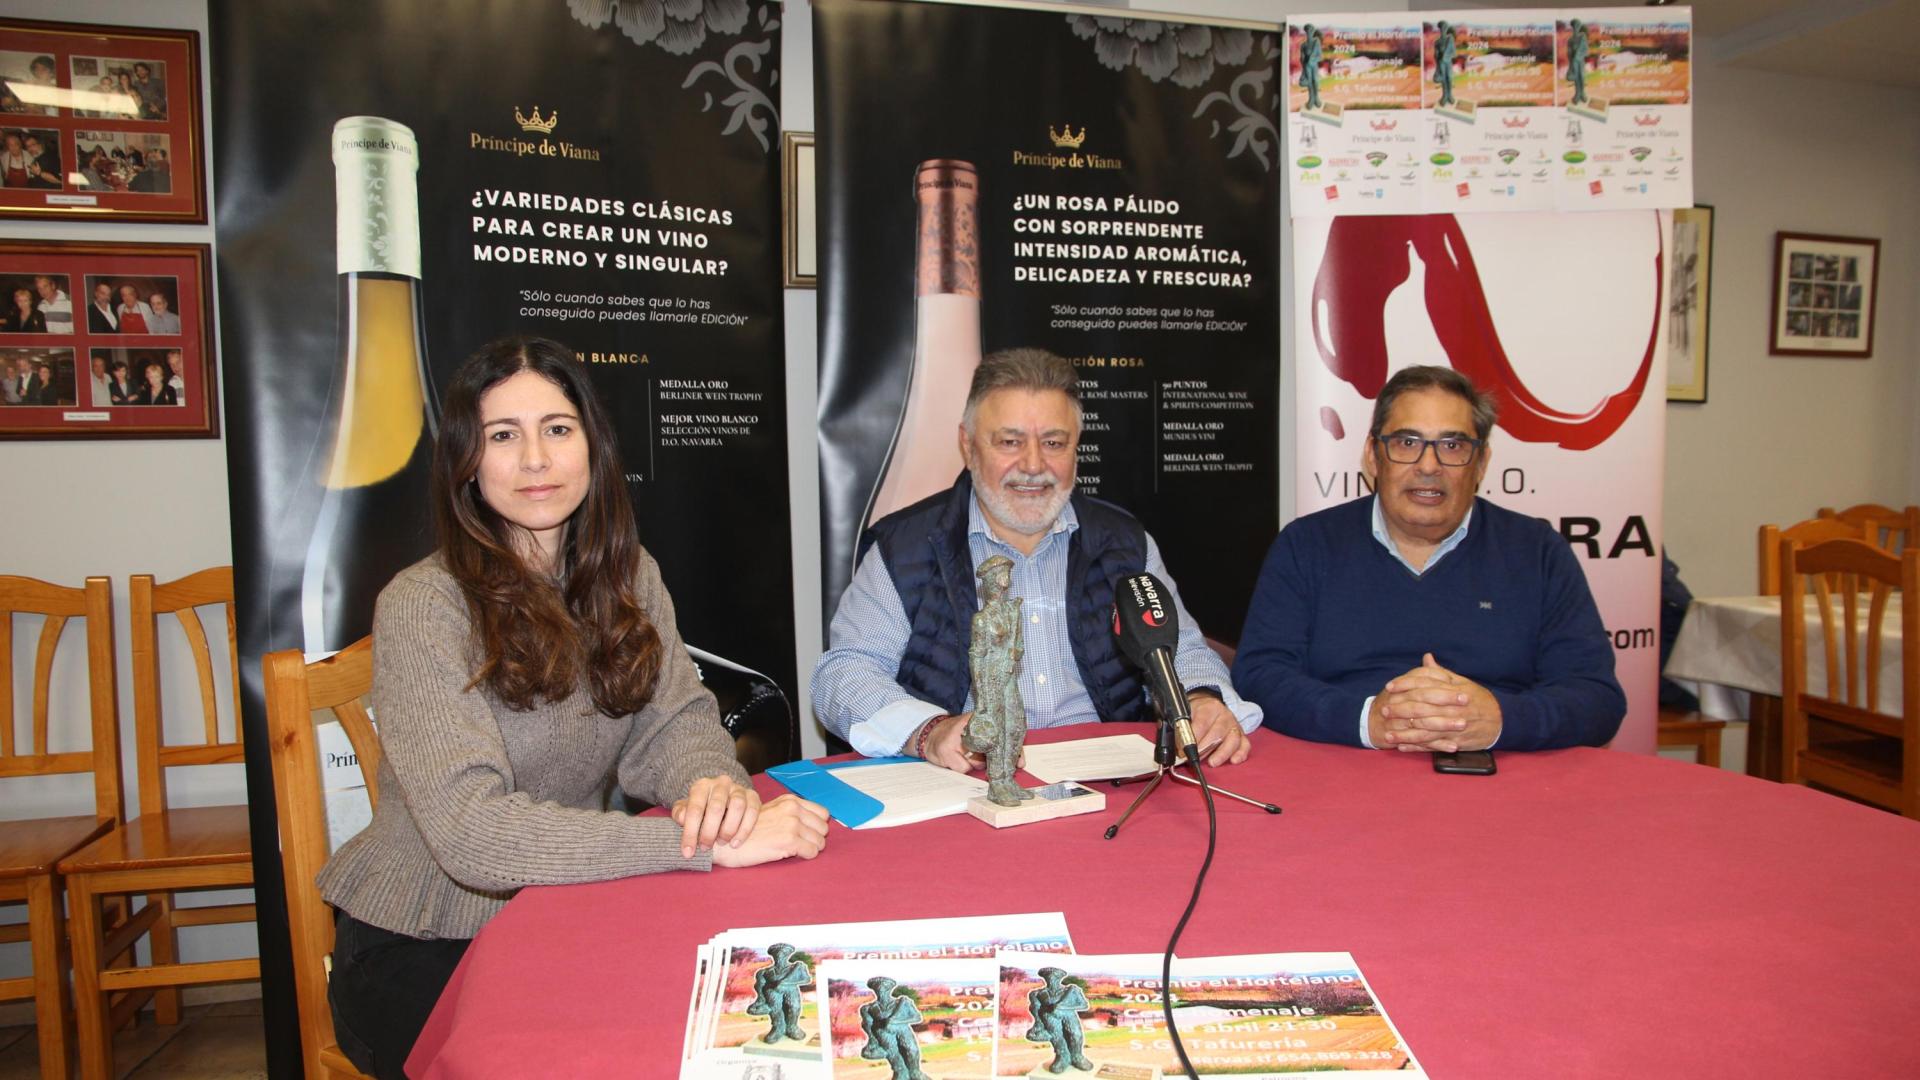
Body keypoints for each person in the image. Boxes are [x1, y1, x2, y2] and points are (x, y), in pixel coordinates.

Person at [317, 336, 829, 1078]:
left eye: (557, 429)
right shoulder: (423, 605)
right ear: (467, 460)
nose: (535, 459)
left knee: (730, 1030)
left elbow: (675, 724)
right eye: (503, 435)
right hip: (425, 943)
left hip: (568, 908)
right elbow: (471, 837)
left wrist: (711, 789)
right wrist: (696, 847)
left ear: (591, 446)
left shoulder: (628, 574)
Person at [812, 348, 1261, 770]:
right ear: (968, 446)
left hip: (1111, 783)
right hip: (968, 785)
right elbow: (845, 672)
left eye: (1053, 443)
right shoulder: (906, 546)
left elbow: (1179, 648)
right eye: (1009, 441)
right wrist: (929, 731)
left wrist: (1202, 700)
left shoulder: (1123, 542)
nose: (1032, 465)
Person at [1233, 365, 1625, 753]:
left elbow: (1597, 697)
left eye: (1452, 446)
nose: (1428, 465)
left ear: (1482, 463)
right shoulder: (1307, 545)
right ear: (1373, 456)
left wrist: (1500, 719)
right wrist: (1367, 719)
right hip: (1344, 771)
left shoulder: (1537, 552)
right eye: (1407, 442)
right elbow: (1260, 675)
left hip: (1504, 779)